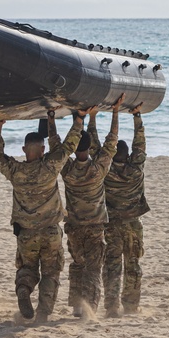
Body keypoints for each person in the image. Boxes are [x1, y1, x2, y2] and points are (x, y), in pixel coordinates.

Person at [0, 108, 88, 322]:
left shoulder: (15, 170)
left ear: (24, 149)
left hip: (26, 233)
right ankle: (43, 313)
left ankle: (24, 289)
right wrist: (78, 120)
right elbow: (69, 145)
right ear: (42, 150)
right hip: (50, 232)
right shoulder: (50, 167)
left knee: (27, 267)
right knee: (51, 272)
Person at [63, 95, 123, 317]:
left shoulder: (66, 170)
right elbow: (112, 141)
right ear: (89, 148)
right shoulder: (98, 170)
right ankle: (90, 308)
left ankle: (78, 306)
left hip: (74, 227)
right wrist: (115, 112)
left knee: (77, 265)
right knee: (93, 269)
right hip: (95, 227)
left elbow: (55, 144)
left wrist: (75, 119)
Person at [101, 104, 150, 315]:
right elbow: (140, 144)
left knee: (112, 265)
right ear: (128, 155)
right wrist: (136, 116)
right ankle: (131, 305)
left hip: (112, 224)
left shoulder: (106, 170)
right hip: (132, 224)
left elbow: (96, 146)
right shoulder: (135, 169)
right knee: (133, 265)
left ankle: (111, 305)